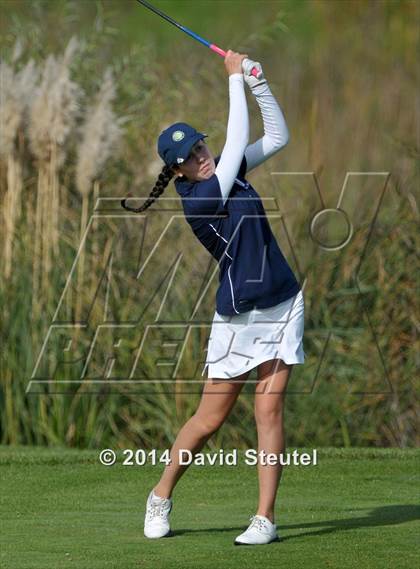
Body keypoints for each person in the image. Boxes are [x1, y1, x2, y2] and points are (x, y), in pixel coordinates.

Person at [141, 50, 306, 545]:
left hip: (283, 302)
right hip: (237, 317)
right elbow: (235, 145)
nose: (199, 156)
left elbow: (276, 138)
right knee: (210, 418)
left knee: (268, 410)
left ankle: (265, 519)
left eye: (198, 147)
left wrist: (258, 83)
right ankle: (161, 495)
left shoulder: (227, 173)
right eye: (188, 158)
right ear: (178, 173)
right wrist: (232, 79)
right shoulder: (202, 199)